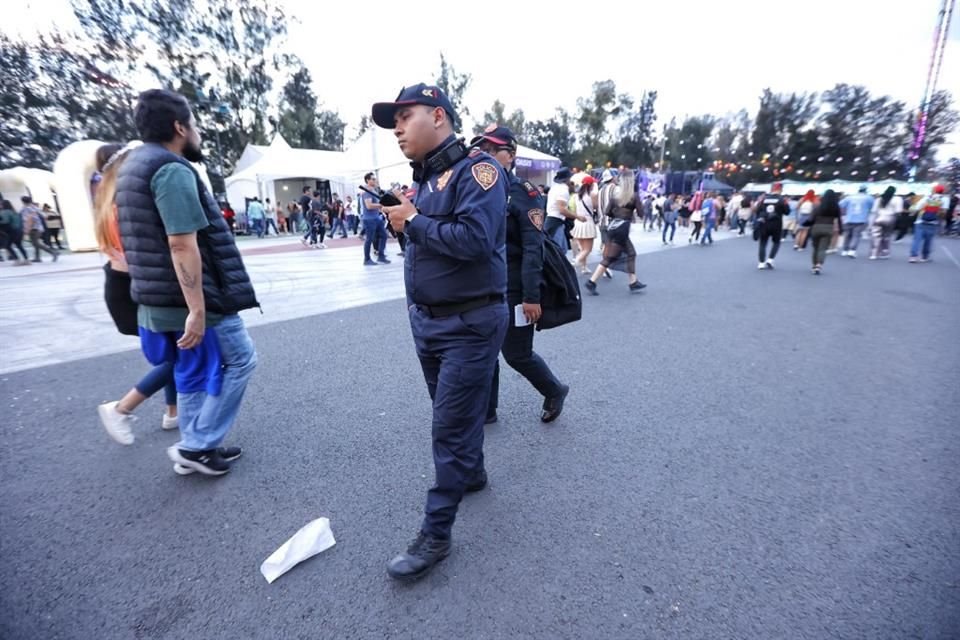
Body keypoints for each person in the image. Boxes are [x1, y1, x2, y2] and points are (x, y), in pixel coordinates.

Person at [372, 83, 509, 581]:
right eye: (394, 121)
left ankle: (436, 533)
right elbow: (431, 242)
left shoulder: (479, 170)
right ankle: (469, 473)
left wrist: (413, 220)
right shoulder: (427, 180)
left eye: (405, 116)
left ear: (439, 116)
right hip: (429, 322)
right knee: (450, 413)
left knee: (447, 428)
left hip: (470, 324)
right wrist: (404, 221)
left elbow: (475, 241)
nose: (397, 128)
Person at [116, 89, 258, 476]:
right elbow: (181, 242)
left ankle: (194, 444)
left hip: (156, 296)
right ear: (180, 127)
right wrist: (197, 308)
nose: (197, 133)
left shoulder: (132, 166)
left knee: (190, 371)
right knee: (242, 359)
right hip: (192, 300)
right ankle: (196, 445)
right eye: (193, 125)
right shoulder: (171, 169)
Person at [473, 125, 569, 426]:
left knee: (516, 354)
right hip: (486, 285)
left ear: (510, 156)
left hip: (515, 286)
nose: (484, 157)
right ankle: (487, 410)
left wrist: (530, 296)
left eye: (492, 151)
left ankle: (554, 390)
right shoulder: (479, 191)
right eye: (482, 151)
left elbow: (533, 247)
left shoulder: (524, 193)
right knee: (485, 350)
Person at [92, 142, 179, 445]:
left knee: (171, 351)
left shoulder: (106, 203)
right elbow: (138, 254)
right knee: (179, 354)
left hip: (122, 283)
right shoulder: (123, 205)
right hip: (135, 285)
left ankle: (173, 411)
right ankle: (121, 408)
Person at [583, 169, 646, 294]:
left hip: (613, 227)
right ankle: (591, 282)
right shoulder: (633, 196)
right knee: (610, 257)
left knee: (631, 253)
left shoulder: (615, 196)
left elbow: (607, 212)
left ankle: (633, 282)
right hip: (622, 229)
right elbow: (641, 213)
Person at [909, 184, 949, 263]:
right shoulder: (945, 199)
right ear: (943, 191)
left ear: (934, 190)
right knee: (928, 240)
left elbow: (917, 208)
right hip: (933, 222)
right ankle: (924, 257)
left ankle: (913, 257)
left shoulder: (927, 197)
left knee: (917, 240)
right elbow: (944, 212)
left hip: (920, 221)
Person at [807, 189, 843, 275]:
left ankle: (814, 265)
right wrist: (841, 230)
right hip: (828, 228)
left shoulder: (817, 206)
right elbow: (839, 220)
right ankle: (819, 265)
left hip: (816, 227)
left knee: (815, 248)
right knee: (822, 248)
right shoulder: (836, 207)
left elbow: (811, 219)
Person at [544, 168, 582, 251]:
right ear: (568, 179)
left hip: (553, 220)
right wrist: (577, 216)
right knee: (558, 251)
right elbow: (562, 209)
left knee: (562, 249)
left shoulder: (555, 188)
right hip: (556, 221)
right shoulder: (563, 190)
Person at [754, 182, 790, 269]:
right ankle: (770, 259)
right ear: (780, 189)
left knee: (763, 243)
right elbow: (787, 212)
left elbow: (757, 210)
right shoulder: (782, 200)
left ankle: (761, 262)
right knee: (776, 242)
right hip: (777, 224)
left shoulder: (764, 199)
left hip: (764, 223)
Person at [359, 172, 390, 265]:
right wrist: (381, 205)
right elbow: (369, 206)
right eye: (372, 179)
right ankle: (367, 259)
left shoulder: (373, 190)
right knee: (369, 239)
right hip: (369, 219)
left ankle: (381, 256)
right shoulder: (366, 191)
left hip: (376, 217)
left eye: (374, 179)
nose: (375, 180)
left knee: (384, 235)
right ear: (367, 180)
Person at [570, 175, 598, 274]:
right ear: (591, 185)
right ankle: (575, 261)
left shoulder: (577, 195)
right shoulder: (592, 195)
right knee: (588, 249)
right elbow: (595, 207)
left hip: (578, 222)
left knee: (582, 248)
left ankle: (584, 268)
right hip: (587, 222)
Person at [20, 196, 58, 262]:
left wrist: (27, 228)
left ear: (23, 201)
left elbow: (30, 219)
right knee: (35, 242)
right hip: (39, 227)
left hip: (33, 228)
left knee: (35, 243)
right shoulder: (35, 207)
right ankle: (37, 257)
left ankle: (53, 252)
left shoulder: (26, 208)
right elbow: (45, 216)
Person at [839, 185, 873, 258]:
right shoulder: (869, 198)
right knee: (856, 235)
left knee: (847, 235)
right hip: (861, 219)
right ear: (865, 190)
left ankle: (845, 250)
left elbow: (841, 205)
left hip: (849, 218)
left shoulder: (849, 197)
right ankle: (852, 250)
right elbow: (872, 207)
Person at [870, 186, 902, 260]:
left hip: (878, 217)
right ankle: (885, 252)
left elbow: (874, 210)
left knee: (876, 236)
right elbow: (898, 211)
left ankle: (874, 253)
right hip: (890, 218)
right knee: (886, 236)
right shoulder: (897, 199)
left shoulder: (879, 199)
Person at [0, 199, 30, 264]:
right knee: (19, 245)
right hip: (19, 231)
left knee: (8, 246)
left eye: (1, 204)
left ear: (3, 205)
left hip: (12, 231)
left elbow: (5, 221)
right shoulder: (14, 212)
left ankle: (17, 260)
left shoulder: (5, 212)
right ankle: (27, 260)